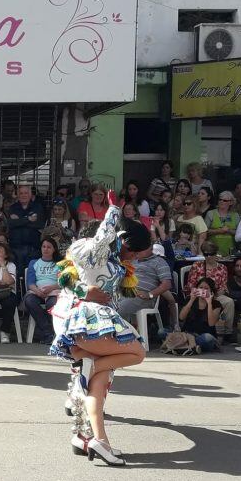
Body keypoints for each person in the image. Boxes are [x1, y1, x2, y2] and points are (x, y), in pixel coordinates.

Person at [51, 190, 150, 466]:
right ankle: (89, 369)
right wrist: (113, 210)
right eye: (132, 250)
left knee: (100, 383)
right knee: (138, 352)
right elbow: (102, 239)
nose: (133, 256)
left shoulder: (116, 264)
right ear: (123, 241)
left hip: (99, 323)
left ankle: (94, 439)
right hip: (87, 321)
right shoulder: (93, 251)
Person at [184, 241, 235, 342]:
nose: (208, 257)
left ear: (215, 254)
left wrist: (213, 297)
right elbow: (191, 285)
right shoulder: (197, 266)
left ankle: (227, 332)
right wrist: (202, 294)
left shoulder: (222, 268)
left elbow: (223, 287)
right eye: (205, 254)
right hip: (198, 294)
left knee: (229, 302)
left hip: (216, 295)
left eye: (211, 254)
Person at [159, 278, 222, 353]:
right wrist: (191, 300)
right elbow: (181, 317)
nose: (203, 290)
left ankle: (181, 346)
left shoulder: (216, 304)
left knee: (208, 338)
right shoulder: (190, 299)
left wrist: (209, 303)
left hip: (202, 336)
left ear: (211, 291)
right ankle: (190, 346)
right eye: (201, 288)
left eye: (206, 288)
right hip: (187, 335)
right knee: (161, 331)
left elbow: (211, 323)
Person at [117, 244, 174, 322]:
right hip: (124, 293)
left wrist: (150, 294)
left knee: (119, 309)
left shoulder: (159, 261)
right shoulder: (133, 261)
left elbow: (167, 284)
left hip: (141, 296)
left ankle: (117, 332)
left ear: (150, 248)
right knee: (104, 306)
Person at [24, 238, 62, 344]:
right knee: (29, 301)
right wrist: (38, 291)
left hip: (54, 291)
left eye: (49, 247)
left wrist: (51, 288)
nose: (46, 249)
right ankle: (48, 331)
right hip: (37, 291)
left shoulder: (59, 264)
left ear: (54, 249)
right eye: (44, 247)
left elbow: (63, 282)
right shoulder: (34, 263)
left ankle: (48, 334)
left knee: (53, 305)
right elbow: (30, 283)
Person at [6, 185, 44, 275]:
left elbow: (38, 224)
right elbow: (11, 224)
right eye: (21, 193)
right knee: (16, 273)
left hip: (33, 248)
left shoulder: (38, 207)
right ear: (17, 195)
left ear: (30, 195)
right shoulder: (13, 208)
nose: (23, 195)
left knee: (31, 274)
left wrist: (19, 220)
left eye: (26, 193)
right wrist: (28, 219)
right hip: (15, 248)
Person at [205, 191, 240, 257]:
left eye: (224, 200)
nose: (221, 201)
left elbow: (240, 233)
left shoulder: (235, 215)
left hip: (231, 252)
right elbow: (205, 232)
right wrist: (219, 231)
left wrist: (228, 230)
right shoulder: (210, 213)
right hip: (213, 252)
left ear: (231, 202)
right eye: (220, 199)